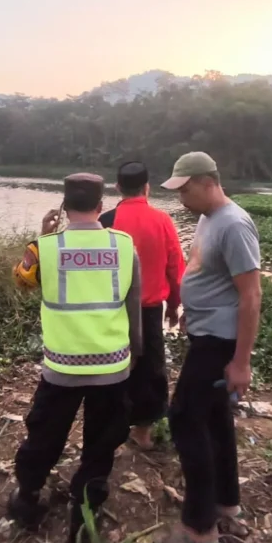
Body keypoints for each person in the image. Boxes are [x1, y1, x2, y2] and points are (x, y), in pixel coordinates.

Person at [8, 173, 143, 543]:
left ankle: (28, 498)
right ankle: (85, 511)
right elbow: (134, 306)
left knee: (46, 433)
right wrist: (136, 354)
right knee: (101, 441)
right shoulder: (124, 245)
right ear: (102, 206)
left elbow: (23, 283)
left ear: (64, 207)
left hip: (62, 368)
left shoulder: (44, 247)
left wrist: (41, 234)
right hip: (112, 366)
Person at [157, 152, 262, 543]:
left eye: (184, 189)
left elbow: (251, 296)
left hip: (220, 342)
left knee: (184, 417)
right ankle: (225, 502)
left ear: (207, 182)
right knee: (215, 418)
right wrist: (191, 312)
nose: (180, 197)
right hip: (206, 332)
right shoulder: (208, 219)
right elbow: (208, 277)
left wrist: (241, 361)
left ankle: (199, 529)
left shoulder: (234, 225)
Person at [99, 161, 185, 450]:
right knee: (149, 369)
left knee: (113, 367)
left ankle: (112, 428)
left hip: (112, 311)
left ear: (118, 187)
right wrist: (174, 305)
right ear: (147, 187)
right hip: (148, 311)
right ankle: (143, 433)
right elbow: (175, 268)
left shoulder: (106, 221)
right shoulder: (162, 221)